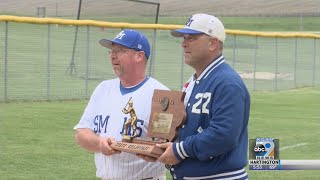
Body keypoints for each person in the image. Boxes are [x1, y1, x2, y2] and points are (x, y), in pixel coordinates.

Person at [156, 13, 251, 180]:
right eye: (183, 38)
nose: (183, 44)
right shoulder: (193, 81)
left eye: (191, 38)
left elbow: (224, 135)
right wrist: (158, 148)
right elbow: (184, 128)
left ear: (213, 43)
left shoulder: (227, 82)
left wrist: (179, 151)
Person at [74, 29, 168, 180]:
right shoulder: (103, 89)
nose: (113, 55)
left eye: (120, 50)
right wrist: (100, 143)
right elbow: (81, 134)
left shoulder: (161, 95)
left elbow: (167, 147)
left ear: (139, 55)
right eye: (111, 51)